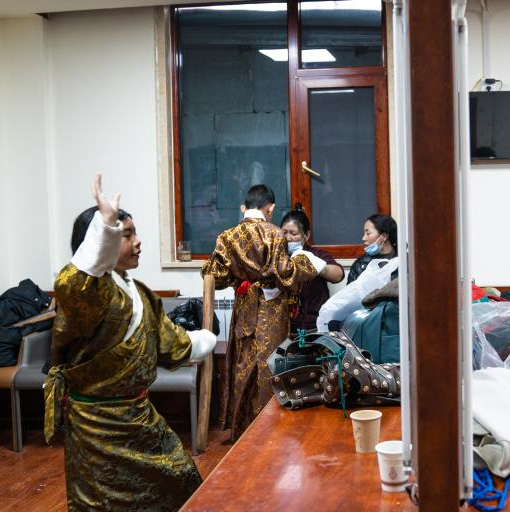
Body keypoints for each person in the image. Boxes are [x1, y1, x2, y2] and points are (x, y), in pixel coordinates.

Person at [44, 174, 217, 512]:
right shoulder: (87, 295)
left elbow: (167, 342)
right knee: (101, 501)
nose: (138, 242)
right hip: (96, 424)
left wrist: (198, 341)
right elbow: (72, 282)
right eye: (127, 235)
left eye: (135, 233)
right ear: (100, 242)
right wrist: (105, 226)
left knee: (180, 475)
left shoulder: (138, 292)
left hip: (137, 415)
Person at [202, 184, 326, 438]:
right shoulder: (274, 234)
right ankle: (270, 430)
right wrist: (306, 262)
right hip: (271, 311)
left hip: (244, 307)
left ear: (245, 207)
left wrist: (241, 276)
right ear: (270, 208)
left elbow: (215, 276)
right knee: (271, 365)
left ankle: (242, 430)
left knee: (243, 366)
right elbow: (285, 275)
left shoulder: (227, 236)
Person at [280, 207, 345, 332]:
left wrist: (319, 267)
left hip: (313, 324)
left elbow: (338, 275)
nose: (288, 238)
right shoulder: (277, 255)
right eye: (284, 232)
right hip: (283, 325)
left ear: (306, 235)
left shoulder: (315, 254)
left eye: (293, 234)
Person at [347, 214, 398, 284]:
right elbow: (351, 289)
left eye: (368, 233)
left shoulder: (404, 261)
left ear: (384, 236)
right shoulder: (360, 264)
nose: (363, 238)